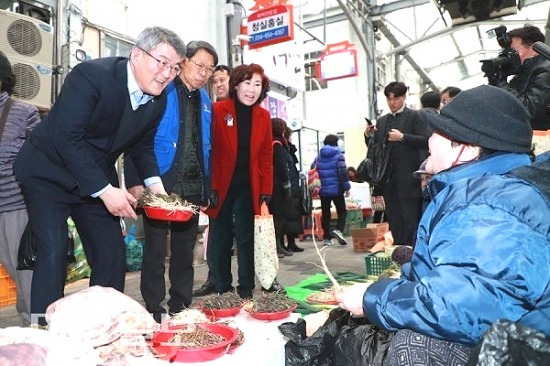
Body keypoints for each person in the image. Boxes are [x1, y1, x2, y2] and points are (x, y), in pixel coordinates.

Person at [336, 85, 550, 364]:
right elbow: (468, 273)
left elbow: (461, 304)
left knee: (413, 345)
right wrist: (412, 269)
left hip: (520, 350)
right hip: (513, 339)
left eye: (438, 132)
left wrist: (372, 298)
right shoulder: (490, 189)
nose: (430, 139)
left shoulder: (489, 206)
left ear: (468, 148)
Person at [13, 27, 186, 324]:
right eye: (162, 62)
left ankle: (103, 327)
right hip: (47, 173)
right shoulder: (92, 76)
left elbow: (142, 148)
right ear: (136, 54)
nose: (167, 73)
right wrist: (107, 191)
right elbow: (67, 138)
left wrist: (156, 189)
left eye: (175, 67)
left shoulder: (159, 99)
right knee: (53, 251)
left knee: (111, 253)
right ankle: (43, 332)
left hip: (92, 175)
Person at [125, 40, 216, 322]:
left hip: (190, 188)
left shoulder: (205, 101)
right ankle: (154, 307)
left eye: (210, 69)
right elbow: (136, 137)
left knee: (183, 251)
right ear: (184, 61)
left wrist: (206, 188)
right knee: (154, 249)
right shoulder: (160, 91)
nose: (204, 73)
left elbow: (206, 146)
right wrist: (135, 180)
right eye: (200, 65)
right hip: (159, 184)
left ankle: (180, 304)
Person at [206, 63, 273, 299]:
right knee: (221, 239)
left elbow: (266, 156)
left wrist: (266, 189)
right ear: (236, 85)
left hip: (249, 187)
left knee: (247, 239)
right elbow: (209, 151)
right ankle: (223, 288)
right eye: (247, 83)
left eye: (257, 85)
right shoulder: (218, 110)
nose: (251, 90)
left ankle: (246, 289)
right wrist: (209, 186)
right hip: (221, 186)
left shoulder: (263, 116)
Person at [0, 51, 40, 326]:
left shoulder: (23, 112)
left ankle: (36, 327)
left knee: (24, 270)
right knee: (12, 269)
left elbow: (41, 160)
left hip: (17, 206)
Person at [365, 81, 431, 247]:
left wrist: (403, 137)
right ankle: (400, 254)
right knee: (394, 218)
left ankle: (414, 253)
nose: (392, 102)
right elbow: (377, 150)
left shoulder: (415, 116)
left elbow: (426, 141)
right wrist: (368, 136)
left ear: (404, 97)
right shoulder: (382, 121)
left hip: (409, 178)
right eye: (389, 98)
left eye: (395, 98)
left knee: (411, 218)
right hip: (388, 180)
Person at [193, 63, 232, 298]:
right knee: (216, 235)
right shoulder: (209, 109)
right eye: (214, 80)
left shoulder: (243, 109)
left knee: (254, 234)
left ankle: (269, 280)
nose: (218, 84)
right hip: (216, 184)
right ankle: (214, 279)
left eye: (222, 80)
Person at [494, 25, 550, 130]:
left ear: (534, 49)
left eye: (513, 51)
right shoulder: (522, 75)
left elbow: (529, 109)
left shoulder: (546, 69)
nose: (509, 56)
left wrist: (501, 83)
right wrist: (495, 81)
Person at [314, 134, 350, 246]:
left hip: (323, 190)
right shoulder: (338, 156)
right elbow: (343, 172)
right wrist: (346, 187)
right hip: (337, 189)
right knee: (342, 211)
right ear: (336, 143)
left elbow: (313, 170)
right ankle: (338, 230)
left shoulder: (318, 157)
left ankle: (327, 238)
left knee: (326, 213)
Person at [283, 126, 305, 253]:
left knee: (292, 215)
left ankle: (291, 242)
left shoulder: (287, 148)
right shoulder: (279, 147)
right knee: (287, 216)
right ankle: (284, 243)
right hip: (288, 187)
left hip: (292, 186)